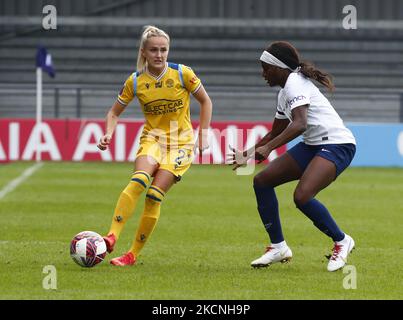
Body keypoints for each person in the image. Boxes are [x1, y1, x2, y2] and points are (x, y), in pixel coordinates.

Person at [229, 41, 356, 272]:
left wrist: (268, 150)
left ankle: (342, 240)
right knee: (262, 181)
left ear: (278, 67)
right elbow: (276, 131)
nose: (263, 74)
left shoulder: (295, 84)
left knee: (303, 196)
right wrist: (248, 154)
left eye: (265, 68)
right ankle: (278, 247)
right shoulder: (284, 92)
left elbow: (299, 124)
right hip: (313, 145)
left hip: (338, 144)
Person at [97, 25, 212, 266]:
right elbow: (114, 112)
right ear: (144, 52)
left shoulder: (182, 74)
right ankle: (111, 236)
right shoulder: (136, 81)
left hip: (181, 144)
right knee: (138, 180)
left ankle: (131, 255)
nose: (159, 55)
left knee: (153, 195)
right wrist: (108, 132)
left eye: (163, 50)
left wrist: (204, 133)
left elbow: (205, 101)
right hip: (153, 139)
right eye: (154, 50)